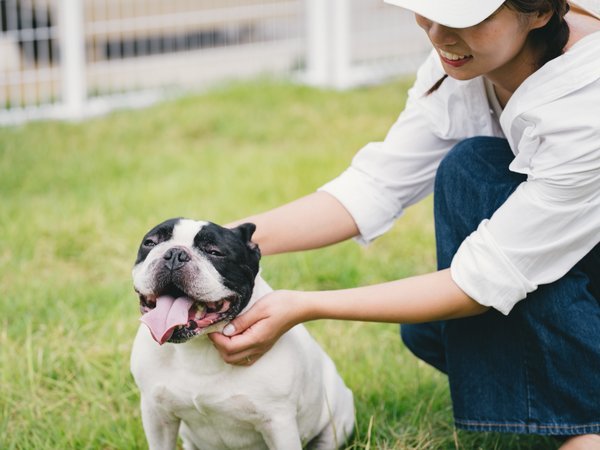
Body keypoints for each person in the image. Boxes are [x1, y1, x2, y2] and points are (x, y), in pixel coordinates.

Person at [209, 0, 600, 447]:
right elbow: (375, 186)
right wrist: (210, 244)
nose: (437, 35)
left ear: (540, 12)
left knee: (470, 172)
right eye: (426, 12)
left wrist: (305, 305)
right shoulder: (465, 63)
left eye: (462, 18)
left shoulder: (586, 100)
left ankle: (584, 422)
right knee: (432, 333)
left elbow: (483, 280)